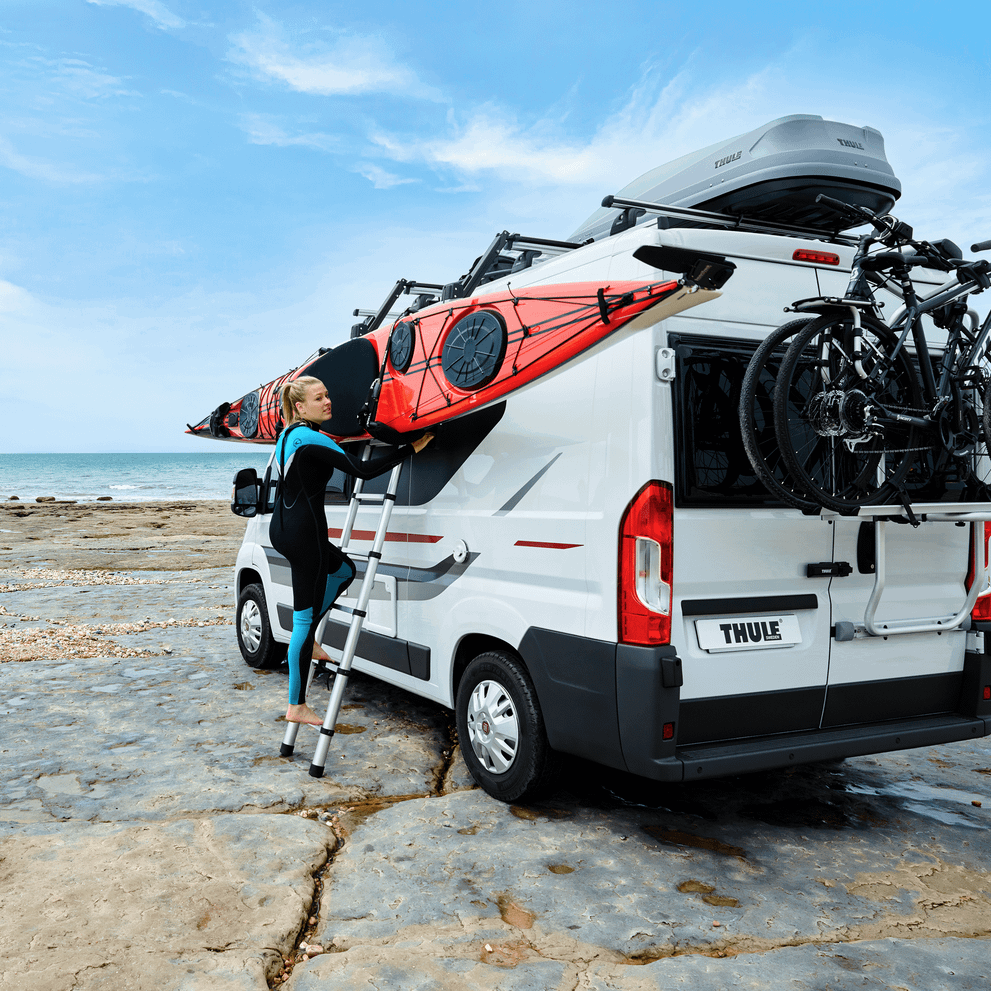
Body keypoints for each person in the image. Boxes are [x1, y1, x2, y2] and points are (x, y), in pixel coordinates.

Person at [271, 375, 432, 727]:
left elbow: (326, 453)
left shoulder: (290, 435)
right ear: (300, 406)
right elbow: (361, 468)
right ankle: (296, 704)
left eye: (328, 394)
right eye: (319, 397)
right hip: (304, 535)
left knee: (343, 570)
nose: (328, 401)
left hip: (284, 528)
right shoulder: (312, 438)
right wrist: (409, 448)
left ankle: (308, 637)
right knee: (301, 620)